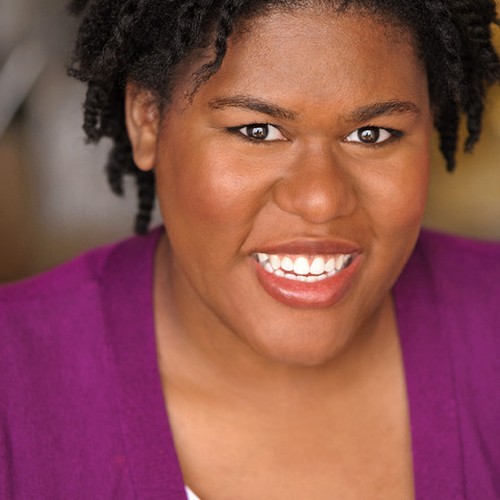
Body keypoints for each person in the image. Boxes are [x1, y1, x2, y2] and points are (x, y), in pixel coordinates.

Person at [1, 0, 499, 498]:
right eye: (257, 131)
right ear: (147, 120)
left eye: (372, 134)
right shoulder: (15, 380)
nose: (321, 201)